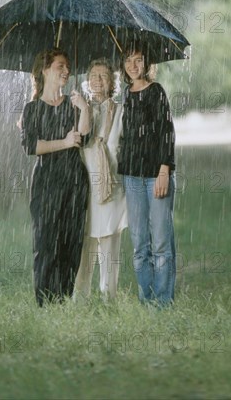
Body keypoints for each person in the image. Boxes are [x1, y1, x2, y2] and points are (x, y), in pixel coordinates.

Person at [20, 48, 91, 306]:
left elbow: (83, 137)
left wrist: (84, 109)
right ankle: (44, 303)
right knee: (46, 243)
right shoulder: (32, 109)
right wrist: (63, 142)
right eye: (60, 65)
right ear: (45, 69)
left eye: (68, 66)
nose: (66, 70)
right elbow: (31, 146)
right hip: (47, 182)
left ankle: (61, 300)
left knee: (71, 243)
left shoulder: (73, 105)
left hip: (74, 181)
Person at [117, 41, 176, 306]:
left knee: (161, 242)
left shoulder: (156, 91)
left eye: (138, 59)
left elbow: (167, 132)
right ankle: (146, 297)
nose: (133, 65)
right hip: (132, 176)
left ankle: (162, 302)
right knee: (140, 243)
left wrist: (164, 170)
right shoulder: (124, 96)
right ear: (123, 65)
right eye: (128, 60)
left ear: (146, 63)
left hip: (156, 174)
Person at [74, 60, 127, 300]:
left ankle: (108, 297)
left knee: (109, 242)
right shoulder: (78, 109)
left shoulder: (121, 110)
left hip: (111, 185)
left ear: (112, 82)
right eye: (93, 75)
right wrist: (84, 108)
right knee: (85, 243)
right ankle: (80, 297)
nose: (97, 80)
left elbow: (125, 145)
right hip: (85, 185)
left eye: (104, 76)